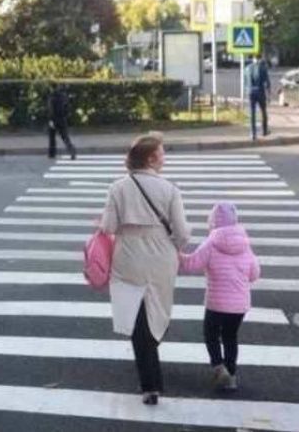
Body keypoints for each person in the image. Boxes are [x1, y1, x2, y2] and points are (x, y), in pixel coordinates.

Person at [98, 133, 191, 404]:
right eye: (162, 153)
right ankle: (152, 362)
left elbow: (108, 227)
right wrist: (176, 244)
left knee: (136, 314)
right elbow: (182, 232)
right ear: (151, 158)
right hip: (161, 256)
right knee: (158, 309)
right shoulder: (170, 189)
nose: (164, 157)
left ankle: (149, 382)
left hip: (128, 255)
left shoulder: (118, 187)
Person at [178, 201, 261, 392]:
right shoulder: (245, 244)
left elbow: (191, 265)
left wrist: (177, 254)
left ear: (213, 222)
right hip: (239, 306)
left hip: (216, 303)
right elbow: (254, 274)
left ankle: (218, 365)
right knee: (231, 337)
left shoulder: (211, 243)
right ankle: (231, 376)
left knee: (211, 335)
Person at [47, 84, 76, 160]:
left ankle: (52, 153)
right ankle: (72, 150)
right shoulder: (64, 97)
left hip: (54, 119)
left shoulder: (52, 97)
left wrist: (51, 120)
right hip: (62, 119)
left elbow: (51, 110)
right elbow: (67, 108)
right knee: (65, 137)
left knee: (52, 137)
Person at [245, 56, 270, 140]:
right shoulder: (263, 68)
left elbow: (245, 81)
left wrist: (247, 90)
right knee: (263, 111)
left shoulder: (247, 68)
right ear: (259, 59)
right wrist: (268, 95)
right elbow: (267, 83)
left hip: (250, 92)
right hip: (260, 92)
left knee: (252, 113)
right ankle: (264, 130)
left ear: (253, 59)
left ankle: (253, 133)